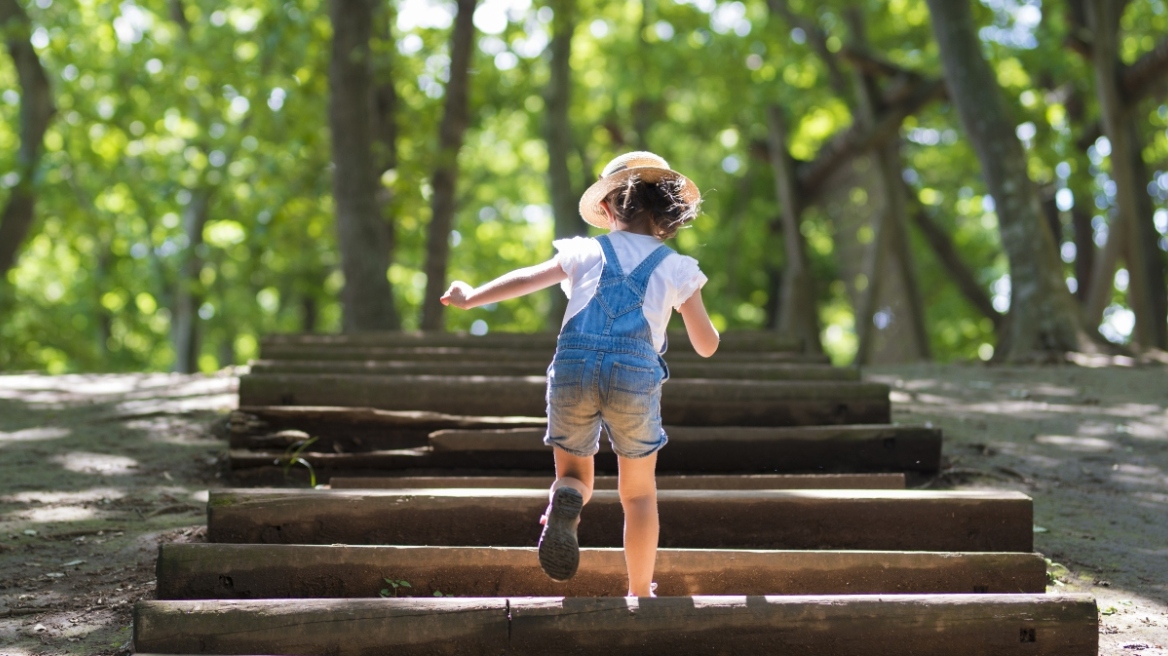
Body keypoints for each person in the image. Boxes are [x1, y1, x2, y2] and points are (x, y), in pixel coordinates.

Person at [440, 151, 719, 598]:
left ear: (607, 210)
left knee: (574, 473)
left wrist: (471, 297)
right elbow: (706, 346)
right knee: (639, 494)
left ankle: (567, 497)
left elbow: (527, 277)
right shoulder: (677, 268)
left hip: (573, 368)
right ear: (668, 216)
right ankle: (640, 591)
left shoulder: (585, 250)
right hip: (634, 377)